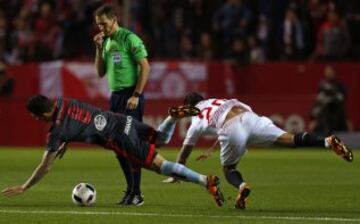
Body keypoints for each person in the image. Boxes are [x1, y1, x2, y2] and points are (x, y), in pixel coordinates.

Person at [1, 95, 224, 208]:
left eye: (35, 117)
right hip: (123, 120)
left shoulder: (57, 133)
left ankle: (206, 181)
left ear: (39, 115)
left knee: (160, 166)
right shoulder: (63, 101)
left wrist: (24, 186)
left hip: (118, 137)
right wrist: (66, 140)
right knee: (160, 139)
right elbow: (71, 120)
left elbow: (45, 165)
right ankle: (172, 118)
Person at [160, 92, 353, 209]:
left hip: (231, 127)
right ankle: (326, 142)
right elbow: (244, 110)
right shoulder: (219, 100)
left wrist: (177, 172)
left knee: (228, 169)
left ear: (188, 106)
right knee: (291, 139)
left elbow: (186, 150)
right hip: (251, 117)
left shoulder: (196, 115)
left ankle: (242, 187)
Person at [93, 4, 151, 206]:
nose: (101, 28)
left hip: (131, 97)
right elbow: (100, 73)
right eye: (98, 25)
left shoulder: (129, 38)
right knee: (117, 145)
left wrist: (136, 94)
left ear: (114, 20)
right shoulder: (106, 42)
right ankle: (131, 190)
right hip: (116, 98)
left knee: (131, 144)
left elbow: (145, 66)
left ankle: (137, 193)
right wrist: (98, 48)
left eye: (104, 24)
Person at [310, 66, 349, 135]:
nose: (329, 74)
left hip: (337, 116)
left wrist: (346, 119)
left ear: (334, 73)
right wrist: (314, 119)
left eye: (330, 72)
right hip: (324, 118)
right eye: (327, 72)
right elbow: (318, 103)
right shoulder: (322, 85)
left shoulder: (339, 85)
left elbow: (341, 100)